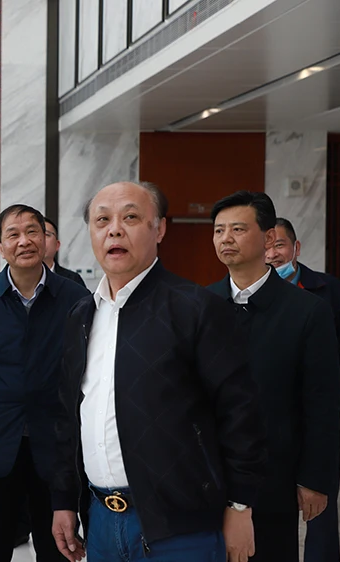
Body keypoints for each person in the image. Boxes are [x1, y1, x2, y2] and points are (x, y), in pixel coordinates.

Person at [51, 181, 266, 562]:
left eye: (131, 217)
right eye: (102, 220)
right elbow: (68, 416)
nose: (114, 230)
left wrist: (239, 506)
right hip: (101, 521)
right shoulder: (81, 316)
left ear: (160, 228)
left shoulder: (196, 308)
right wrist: (64, 501)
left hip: (180, 527)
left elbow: (240, 414)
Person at [208, 193, 340, 562]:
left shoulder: (307, 311)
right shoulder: (201, 304)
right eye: (219, 230)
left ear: (268, 238)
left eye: (237, 229)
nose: (226, 238)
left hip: (275, 474)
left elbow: (321, 402)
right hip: (210, 475)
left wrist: (315, 479)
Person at [0, 205, 90, 562]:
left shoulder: (75, 298)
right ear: (0, 246)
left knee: (57, 546)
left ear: (47, 240)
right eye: (13, 234)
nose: (24, 241)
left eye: (33, 231)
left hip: (57, 447)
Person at [266, 217, 340, 562]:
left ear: (296, 248)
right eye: (266, 246)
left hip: (319, 412)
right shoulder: (250, 295)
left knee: (321, 501)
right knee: (269, 502)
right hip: (270, 414)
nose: (272, 254)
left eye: (280, 245)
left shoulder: (328, 290)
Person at [43, 217, 86, 288]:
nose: (41, 240)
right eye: (35, 234)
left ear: (57, 245)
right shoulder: (22, 279)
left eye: (46, 235)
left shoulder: (73, 280)